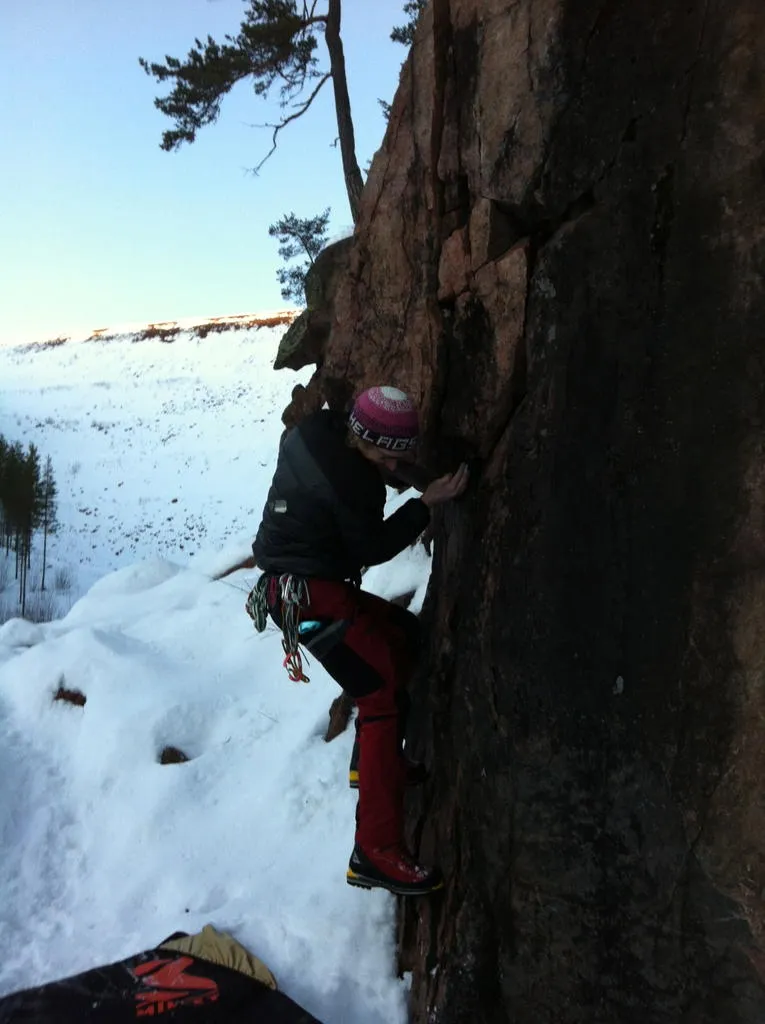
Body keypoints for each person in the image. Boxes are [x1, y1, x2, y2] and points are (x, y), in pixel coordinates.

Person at [251, 385, 469, 896]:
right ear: (369, 444)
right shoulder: (354, 484)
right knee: (379, 698)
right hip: (311, 598)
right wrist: (425, 505)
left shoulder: (317, 433)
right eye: (394, 456)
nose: (398, 466)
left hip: (296, 589)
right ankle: (374, 851)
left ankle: (374, 762)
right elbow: (370, 550)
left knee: (401, 635)